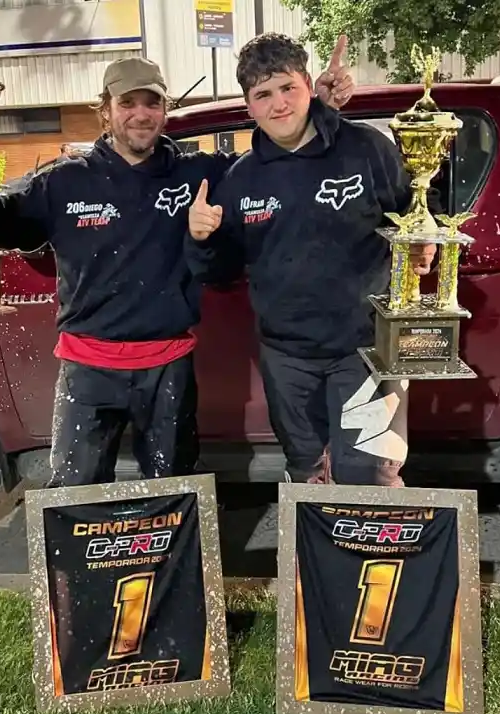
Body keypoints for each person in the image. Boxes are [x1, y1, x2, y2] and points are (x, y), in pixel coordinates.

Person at [0, 53, 353, 487]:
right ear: (105, 111)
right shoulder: (62, 182)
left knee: (173, 490)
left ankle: (167, 556)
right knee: (75, 493)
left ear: (165, 110)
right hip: (87, 372)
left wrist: (318, 112)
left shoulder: (198, 174)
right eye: (128, 103)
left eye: (151, 103)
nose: (141, 115)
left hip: (168, 368)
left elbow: (273, 161)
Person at [186, 33, 438, 487]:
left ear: (307, 84)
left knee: (369, 476)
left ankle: (370, 553)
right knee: (305, 471)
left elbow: (416, 210)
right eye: (263, 94)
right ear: (249, 106)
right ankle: (317, 557)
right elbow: (219, 272)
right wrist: (202, 238)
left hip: (366, 351)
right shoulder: (239, 180)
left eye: (287, 88)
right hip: (286, 358)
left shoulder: (366, 149)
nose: (278, 104)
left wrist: (426, 241)